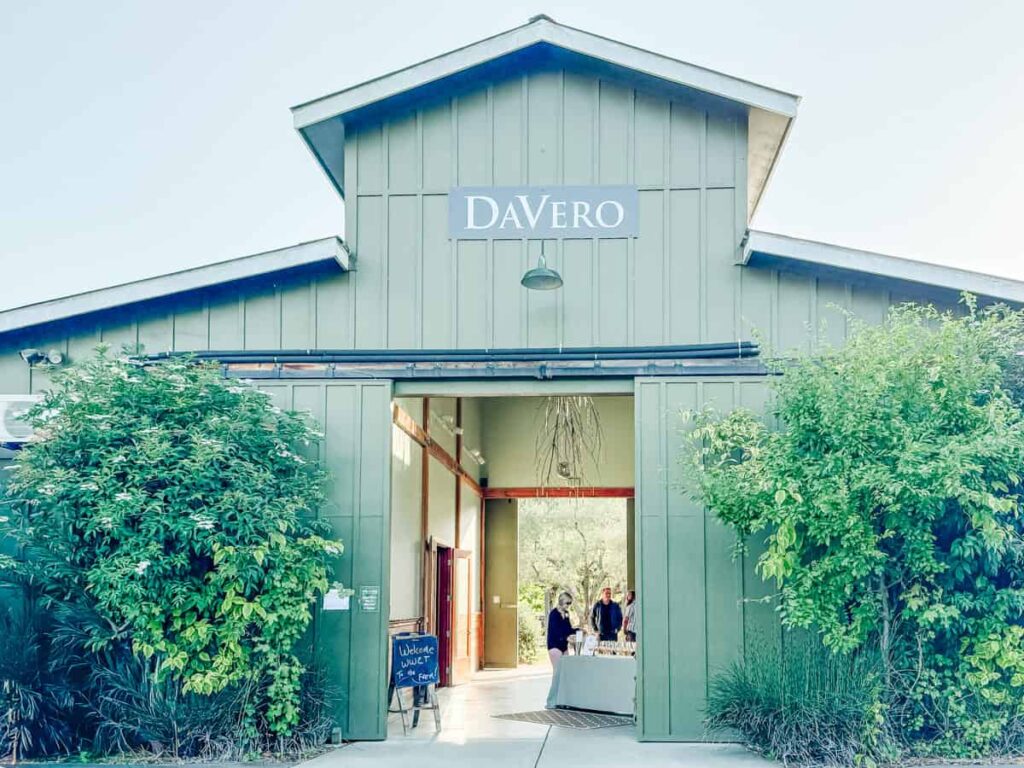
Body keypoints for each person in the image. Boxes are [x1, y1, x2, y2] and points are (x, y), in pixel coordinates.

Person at [545, 591, 576, 709]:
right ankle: (551, 701)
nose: (568, 605)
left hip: (564, 645)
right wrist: (566, 637)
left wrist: (578, 630)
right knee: (557, 673)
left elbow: (568, 629)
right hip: (554, 645)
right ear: (562, 601)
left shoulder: (566, 614)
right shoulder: (554, 614)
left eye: (570, 603)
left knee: (565, 673)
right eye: (567, 603)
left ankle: (563, 700)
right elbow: (556, 631)